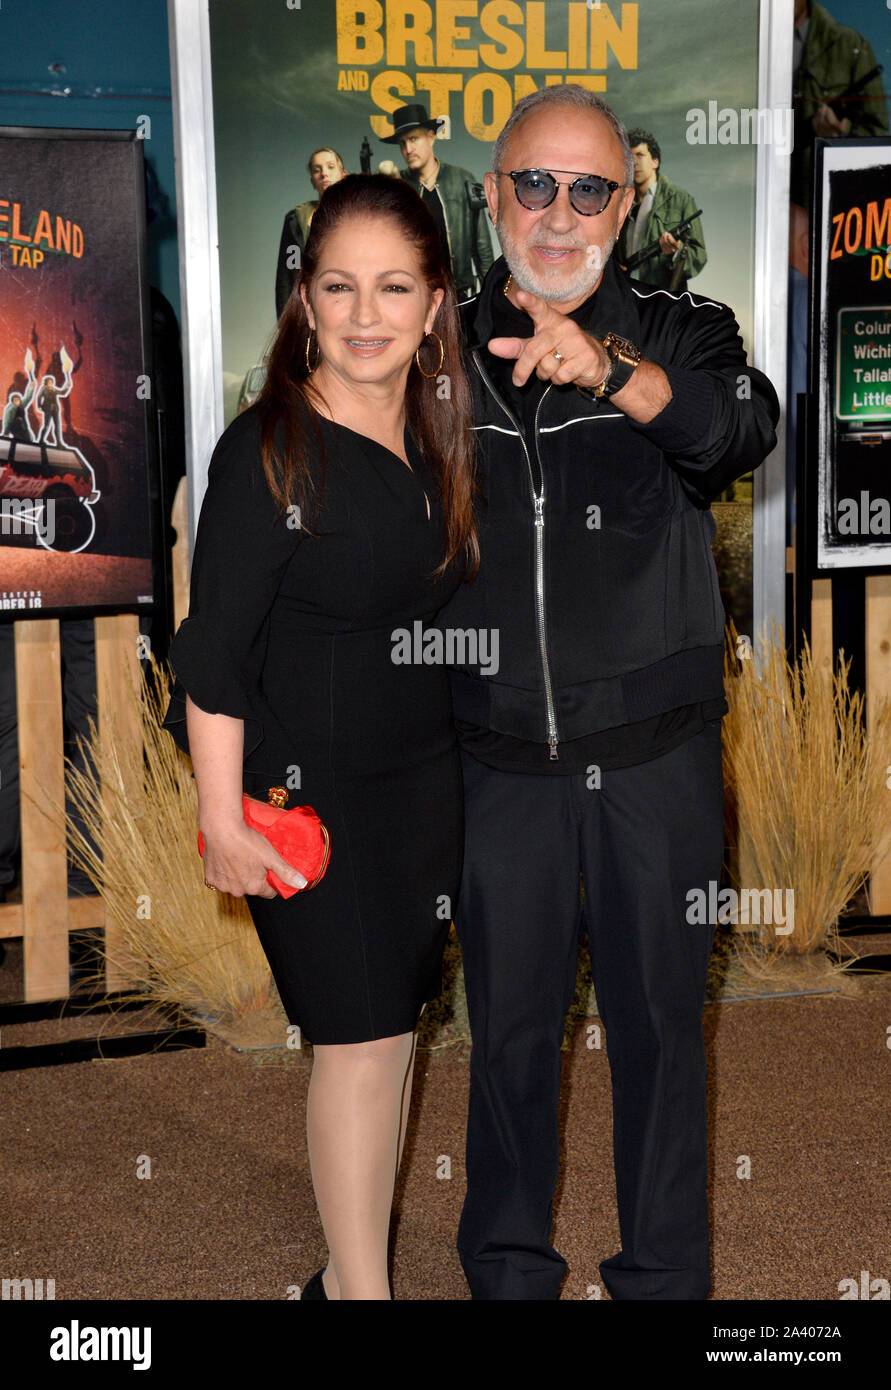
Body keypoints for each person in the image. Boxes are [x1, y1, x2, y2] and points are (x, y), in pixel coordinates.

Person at [436, 84, 779, 1299]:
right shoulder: (432, 343)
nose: (561, 212)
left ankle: (663, 1284)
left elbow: (743, 429)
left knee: (659, 1042)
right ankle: (511, 1272)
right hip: (497, 767)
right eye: (535, 183)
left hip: (657, 761)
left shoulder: (686, 329)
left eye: (590, 189)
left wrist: (615, 371)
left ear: (626, 204)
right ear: (493, 195)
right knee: (510, 1043)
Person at [161, 173, 478, 1301]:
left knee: (390, 1039)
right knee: (352, 1043)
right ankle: (361, 1294)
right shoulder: (266, 452)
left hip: (421, 794)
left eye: (395, 286)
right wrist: (218, 821)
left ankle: (344, 1278)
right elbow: (213, 651)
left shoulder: (445, 437)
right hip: (306, 807)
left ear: (437, 303)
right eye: (338, 285)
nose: (364, 313)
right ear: (306, 295)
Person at [381, 103, 494, 300]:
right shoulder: (398, 185)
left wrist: (491, 295)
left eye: (414, 139)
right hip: (415, 297)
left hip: (460, 294)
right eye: (402, 143)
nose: (408, 149)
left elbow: (482, 244)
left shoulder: (462, 179)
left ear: (431, 137)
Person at [792, 0, 889, 206]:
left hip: (822, 212)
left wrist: (842, 133)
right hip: (758, 206)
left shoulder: (849, 46)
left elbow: (878, 138)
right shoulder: (746, 45)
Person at [616, 128, 706, 292]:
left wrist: (675, 253)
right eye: (630, 157)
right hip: (626, 297)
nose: (634, 162)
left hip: (662, 299)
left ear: (655, 161)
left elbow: (698, 256)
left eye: (640, 155)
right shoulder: (621, 201)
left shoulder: (680, 200)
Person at [274, 147, 347, 318]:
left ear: (343, 174)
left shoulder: (361, 217)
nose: (324, 174)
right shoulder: (297, 219)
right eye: (317, 170)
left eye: (330, 167)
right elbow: (288, 272)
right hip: (307, 310)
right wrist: (286, 320)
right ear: (312, 180)